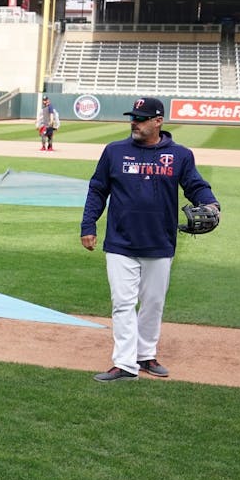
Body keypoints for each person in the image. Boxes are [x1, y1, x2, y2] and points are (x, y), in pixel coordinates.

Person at [81, 96, 221, 382]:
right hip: (120, 242)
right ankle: (124, 363)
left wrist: (211, 204)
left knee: (153, 303)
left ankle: (145, 355)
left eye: (141, 118)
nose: (134, 122)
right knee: (122, 303)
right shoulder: (114, 151)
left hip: (159, 242)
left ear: (158, 121)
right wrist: (88, 224)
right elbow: (97, 189)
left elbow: (195, 185)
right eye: (133, 117)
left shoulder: (180, 155)